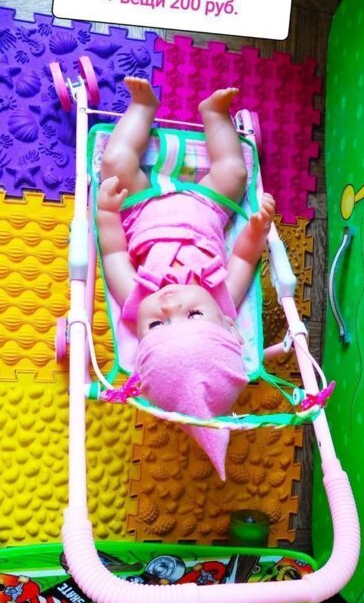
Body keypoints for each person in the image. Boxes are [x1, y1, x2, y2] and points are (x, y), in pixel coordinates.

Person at [97, 77, 275, 480]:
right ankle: (214, 114)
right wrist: (256, 229)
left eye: (157, 325)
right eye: (193, 316)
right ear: (227, 324)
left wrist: (107, 212)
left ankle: (142, 108)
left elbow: (113, 252)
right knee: (234, 171)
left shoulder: (135, 294)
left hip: (139, 209)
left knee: (116, 164)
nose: (171, 304)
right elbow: (244, 256)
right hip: (208, 209)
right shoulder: (222, 294)